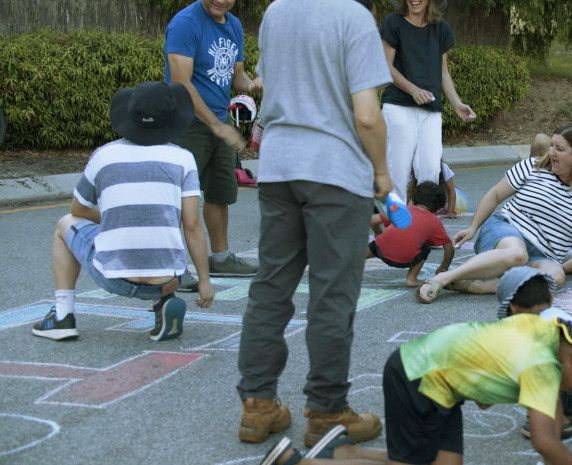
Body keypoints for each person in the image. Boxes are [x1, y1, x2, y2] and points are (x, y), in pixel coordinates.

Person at [236, 0, 392, 447]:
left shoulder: (277, 11)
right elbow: (366, 114)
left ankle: (257, 405)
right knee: (331, 293)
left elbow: (268, 81)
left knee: (271, 285)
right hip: (336, 172)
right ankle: (326, 411)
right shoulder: (353, 18)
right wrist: (381, 172)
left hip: (280, 165)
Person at [255, 313, 572, 465]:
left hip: (439, 378)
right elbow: (546, 442)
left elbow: (493, 347)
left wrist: (487, 387)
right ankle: (298, 463)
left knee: (446, 463)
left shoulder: (543, 330)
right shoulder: (545, 367)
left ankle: (344, 451)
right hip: (420, 377)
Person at [31, 81, 215, 342]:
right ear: (173, 120)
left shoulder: (104, 156)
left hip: (117, 280)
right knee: (161, 233)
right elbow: (192, 225)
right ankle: (164, 302)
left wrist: (109, 218)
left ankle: (62, 316)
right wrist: (204, 281)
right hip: (169, 280)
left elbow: (78, 209)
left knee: (65, 224)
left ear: (128, 115)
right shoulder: (183, 158)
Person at [415, 123, 572, 303]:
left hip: (545, 254)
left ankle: (475, 286)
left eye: (559, 149)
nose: (551, 153)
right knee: (517, 254)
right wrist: (473, 227)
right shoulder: (533, 166)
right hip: (506, 229)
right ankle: (443, 279)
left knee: (554, 278)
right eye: (552, 146)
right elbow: (495, 194)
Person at [164, 0, 260, 277]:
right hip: (187, 123)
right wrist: (216, 126)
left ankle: (220, 258)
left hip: (219, 121)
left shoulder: (233, 24)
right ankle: (172, 267)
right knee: (178, 197)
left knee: (220, 193)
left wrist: (253, 83)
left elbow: (236, 74)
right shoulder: (185, 23)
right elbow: (181, 83)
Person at [496, 267, 572, 440]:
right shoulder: (560, 316)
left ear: (513, 310)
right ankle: (565, 416)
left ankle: (557, 420)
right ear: (551, 297)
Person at [380, 0, 475, 203]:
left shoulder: (441, 28)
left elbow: (443, 73)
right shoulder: (393, 23)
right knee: (397, 172)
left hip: (431, 111)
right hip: (399, 108)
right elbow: (386, 67)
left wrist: (456, 103)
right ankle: (393, 229)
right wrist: (413, 90)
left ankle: (423, 228)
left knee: (431, 171)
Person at [368, 181, 455, 287]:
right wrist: (444, 267)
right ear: (439, 208)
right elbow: (449, 246)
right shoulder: (435, 221)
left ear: (413, 199)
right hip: (406, 260)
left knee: (379, 242)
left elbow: (372, 220)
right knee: (425, 248)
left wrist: (377, 232)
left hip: (380, 250)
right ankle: (411, 279)